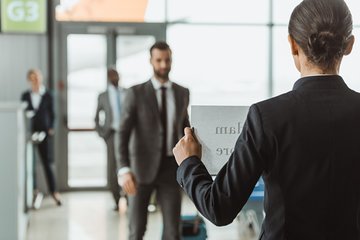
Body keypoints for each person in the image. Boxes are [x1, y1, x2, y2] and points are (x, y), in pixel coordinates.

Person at [173, 0, 360, 239]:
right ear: (350, 45)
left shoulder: (268, 116)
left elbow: (219, 207)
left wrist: (189, 163)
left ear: (292, 44)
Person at [118, 41, 190, 240]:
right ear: (151, 61)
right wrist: (124, 169)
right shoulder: (136, 93)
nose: (163, 65)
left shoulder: (182, 93)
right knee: (137, 230)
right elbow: (122, 133)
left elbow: (185, 130)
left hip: (171, 169)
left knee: (173, 232)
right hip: (139, 170)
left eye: (167, 60)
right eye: (159, 60)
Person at [21, 69, 62, 206]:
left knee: (46, 163)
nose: (35, 80)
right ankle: (34, 192)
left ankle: (54, 192)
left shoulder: (48, 95)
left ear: (41, 78)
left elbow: (52, 113)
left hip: (44, 133)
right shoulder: (26, 95)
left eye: (37, 77)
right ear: (29, 80)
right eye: (32, 78)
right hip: (30, 133)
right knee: (29, 164)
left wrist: (51, 128)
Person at [95, 68, 126, 211]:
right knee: (112, 168)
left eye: (117, 75)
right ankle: (116, 199)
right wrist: (103, 134)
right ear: (108, 78)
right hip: (111, 135)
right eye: (112, 76)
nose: (115, 77)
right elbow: (96, 118)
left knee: (127, 166)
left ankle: (128, 197)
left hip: (126, 134)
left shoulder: (126, 92)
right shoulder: (103, 96)